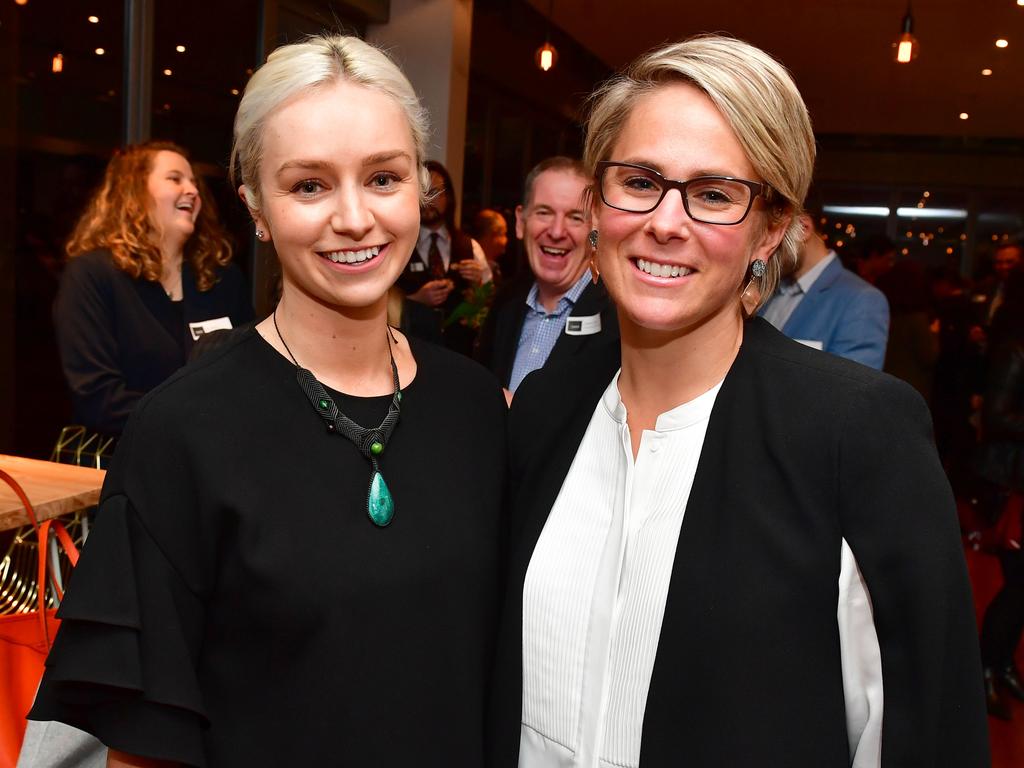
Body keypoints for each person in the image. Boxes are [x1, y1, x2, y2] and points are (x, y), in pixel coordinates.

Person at [487, 35, 988, 767]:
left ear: (772, 228)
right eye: (640, 181)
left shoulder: (855, 434)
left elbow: (923, 728)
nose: (666, 221)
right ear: (598, 202)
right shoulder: (546, 409)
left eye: (715, 194)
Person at [29, 34, 506, 767]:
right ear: (255, 206)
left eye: (384, 177)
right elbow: (142, 746)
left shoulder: (476, 407)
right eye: (309, 185)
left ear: (421, 189)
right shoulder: (183, 433)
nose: (353, 218)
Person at [53, 141, 253, 437]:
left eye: (194, 182)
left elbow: (251, 373)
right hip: (122, 464)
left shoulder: (222, 279)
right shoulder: (93, 276)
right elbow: (99, 399)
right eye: (175, 179)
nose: (193, 190)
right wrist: (202, 420)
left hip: (216, 463)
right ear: (133, 193)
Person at [478, 157, 618, 395]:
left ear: (595, 229)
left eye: (575, 217)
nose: (556, 232)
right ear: (521, 223)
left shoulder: (616, 319)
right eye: (544, 212)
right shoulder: (506, 304)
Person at [975, 267, 1024, 720]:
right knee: (1017, 585)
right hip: (1012, 485)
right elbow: (997, 417)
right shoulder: (1015, 349)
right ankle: (988, 668)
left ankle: (1000, 661)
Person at [759, 206, 889, 369]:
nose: (762, 251)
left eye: (770, 238)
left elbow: (852, 390)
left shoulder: (862, 300)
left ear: (803, 228)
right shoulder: (767, 288)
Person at [396, 160, 492, 355]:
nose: (429, 200)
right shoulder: (398, 245)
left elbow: (489, 304)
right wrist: (416, 299)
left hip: (459, 352)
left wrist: (478, 283)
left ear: (448, 197)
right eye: (422, 192)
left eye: (435, 193)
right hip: (411, 350)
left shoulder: (469, 247)